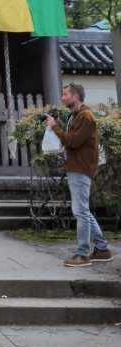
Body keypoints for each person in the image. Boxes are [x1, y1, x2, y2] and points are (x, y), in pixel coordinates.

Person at [46, 82, 113, 267]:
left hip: (80, 168)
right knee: (83, 210)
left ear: (75, 97)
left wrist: (54, 127)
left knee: (81, 212)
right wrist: (57, 124)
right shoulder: (76, 116)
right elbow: (71, 138)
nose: (62, 97)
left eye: (65, 94)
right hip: (76, 166)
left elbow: (73, 141)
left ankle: (83, 254)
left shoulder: (85, 116)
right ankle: (102, 249)